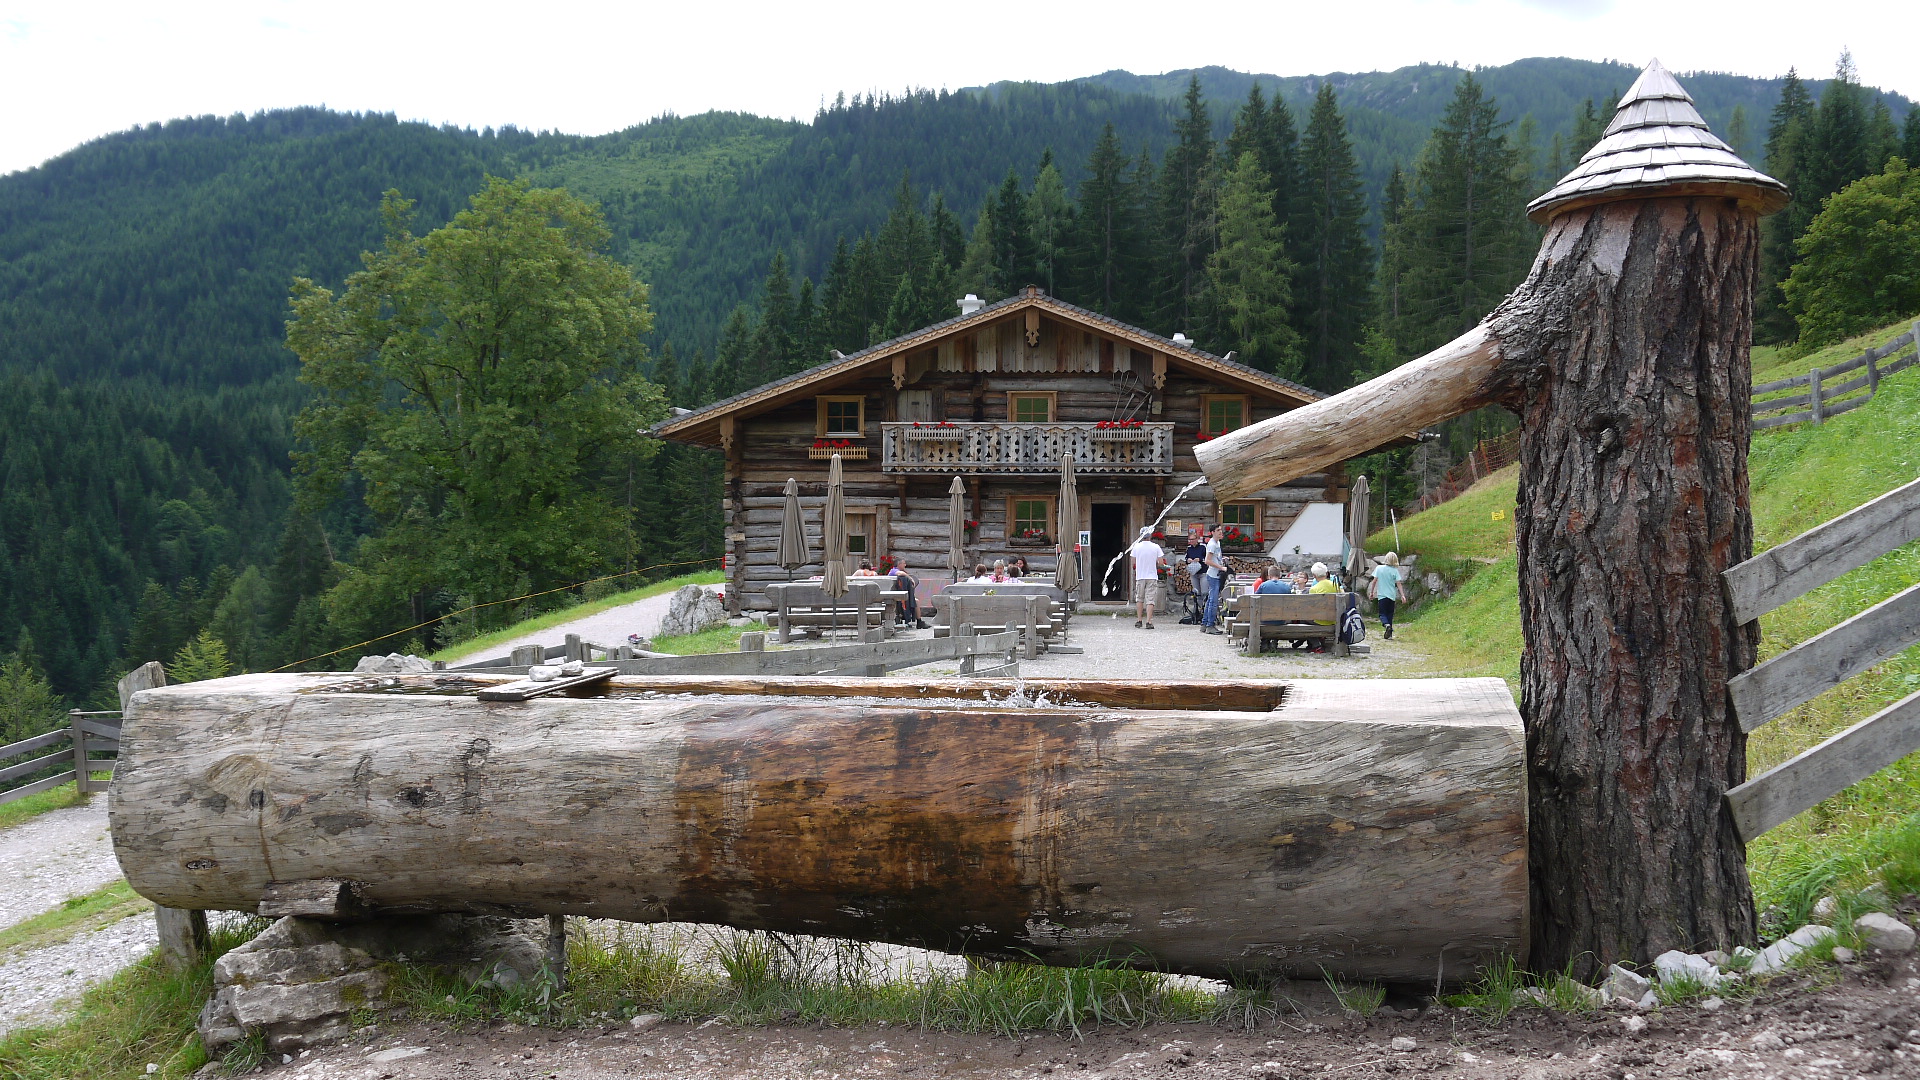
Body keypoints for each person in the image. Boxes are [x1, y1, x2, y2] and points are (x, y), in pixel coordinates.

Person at [1125, 526, 1167, 629]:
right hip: (1152, 575)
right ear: (1150, 535)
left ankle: (1139, 620)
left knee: (1139, 598)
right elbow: (1161, 562)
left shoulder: (1136, 547)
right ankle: (1148, 621)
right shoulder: (1156, 547)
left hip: (1140, 576)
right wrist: (1157, 565)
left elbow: (1133, 563)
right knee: (1150, 600)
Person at [1200, 524, 1229, 635]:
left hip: (1215, 574)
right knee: (1213, 601)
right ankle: (1210, 625)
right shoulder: (1212, 544)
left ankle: (1204, 623)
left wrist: (1222, 560)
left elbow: (1215, 558)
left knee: (1210, 600)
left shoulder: (1217, 543)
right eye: (1218, 530)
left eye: (1221, 530)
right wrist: (1221, 567)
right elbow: (1207, 561)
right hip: (1213, 575)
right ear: (1212, 532)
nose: (1221, 532)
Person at [1370, 551, 1402, 640]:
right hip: (1391, 596)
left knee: (1382, 614)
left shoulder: (1379, 568)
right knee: (1390, 614)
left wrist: (1372, 592)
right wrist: (1402, 595)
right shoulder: (1395, 570)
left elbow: (1374, 581)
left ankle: (1386, 625)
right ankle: (1390, 634)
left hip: (1382, 596)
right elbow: (1398, 583)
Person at [887, 561, 928, 629]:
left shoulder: (897, 571)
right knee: (912, 601)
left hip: (899, 594)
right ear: (899, 564)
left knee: (916, 601)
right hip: (894, 596)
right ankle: (914, 621)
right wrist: (910, 578)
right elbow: (901, 573)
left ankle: (919, 621)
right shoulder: (894, 570)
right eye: (904, 563)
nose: (905, 565)